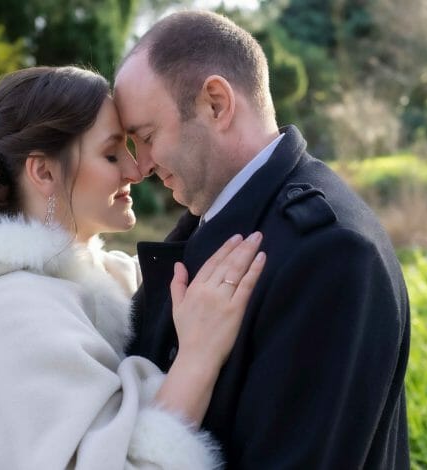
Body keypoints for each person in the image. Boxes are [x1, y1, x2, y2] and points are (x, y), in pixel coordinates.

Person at [0, 66, 267, 469]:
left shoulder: (98, 280)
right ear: (43, 171)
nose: (135, 170)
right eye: (112, 153)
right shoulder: (4, 312)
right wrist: (197, 358)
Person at [114, 10, 411, 469]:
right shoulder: (219, 214)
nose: (143, 165)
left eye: (147, 136)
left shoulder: (332, 253)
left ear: (216, 102)